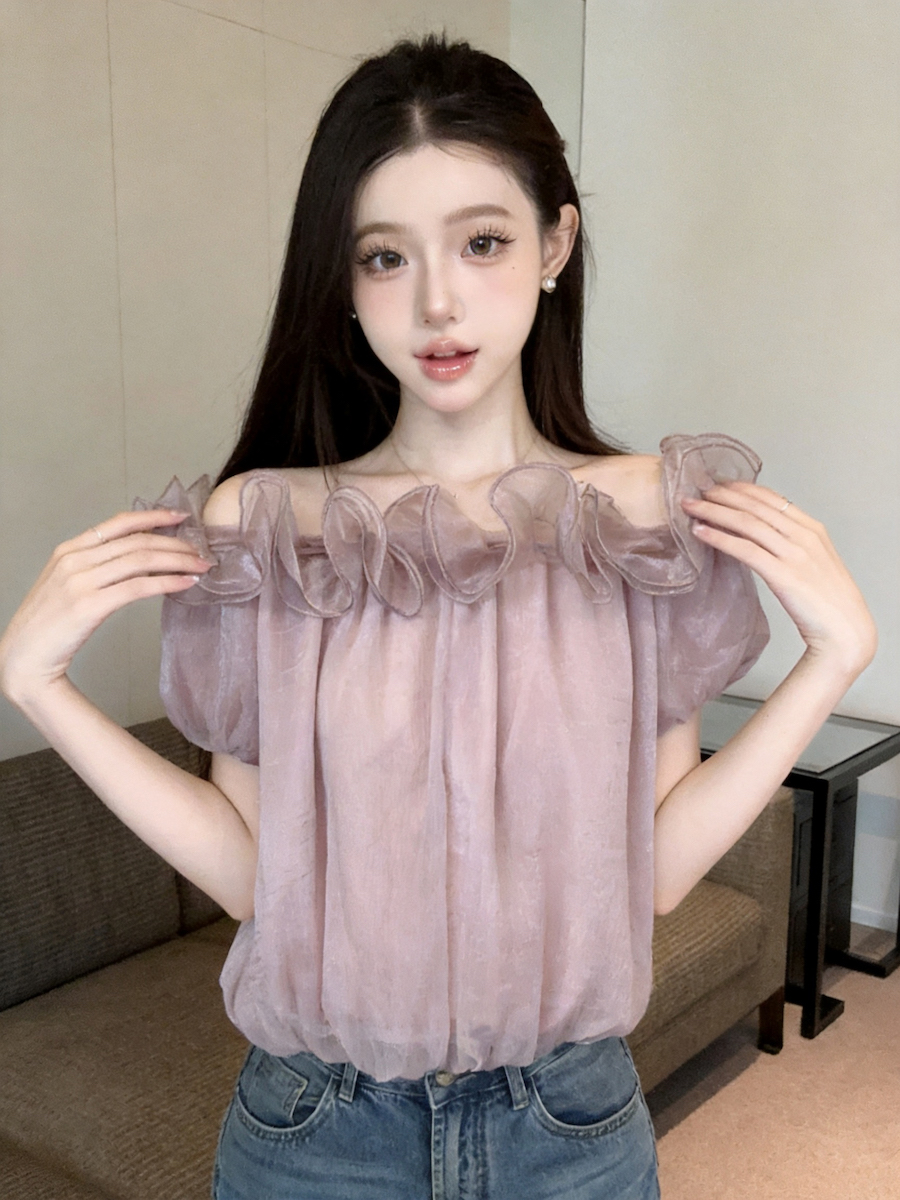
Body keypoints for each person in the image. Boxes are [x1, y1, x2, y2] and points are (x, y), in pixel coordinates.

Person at [0, 34, 876, 1200]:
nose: (437, 302)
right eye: (384, 255)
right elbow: (254, 876)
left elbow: (657, 867)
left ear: (555, 243)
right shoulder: (272, 527)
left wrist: (834, 660)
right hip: (315, 1132)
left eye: (482, 241)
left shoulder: (634, 522)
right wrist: (38, 687)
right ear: (342, 276)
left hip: (569, 1126)